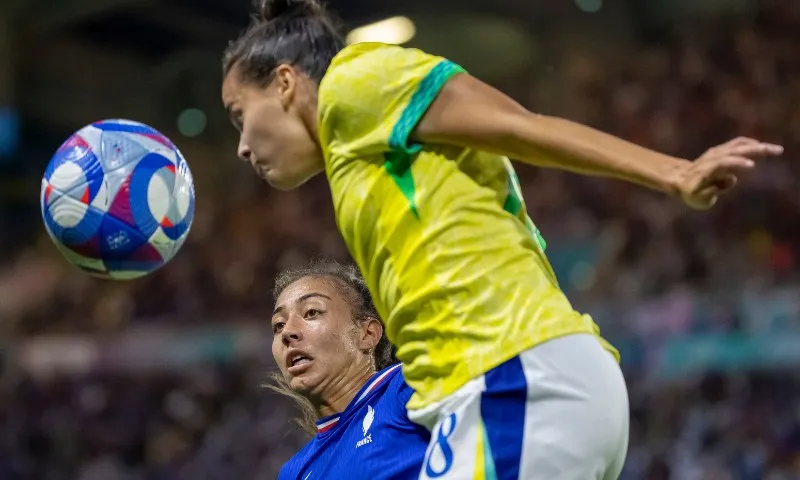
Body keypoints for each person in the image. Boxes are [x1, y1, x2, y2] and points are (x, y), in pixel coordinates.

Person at [221, 1, 784, 478]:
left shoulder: (354, 83)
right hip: (515, 393)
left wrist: (674, 173)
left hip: (511, 381)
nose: (243, 146)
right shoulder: (358, 160)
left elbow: (521, 125)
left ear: (287, 82)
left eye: (239, 115)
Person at [270, 260, 431, 480]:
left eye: (311, 312)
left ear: (367, 334)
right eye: (278, 325)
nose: (287, 332)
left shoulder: (408, 385)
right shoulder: (293, 472)